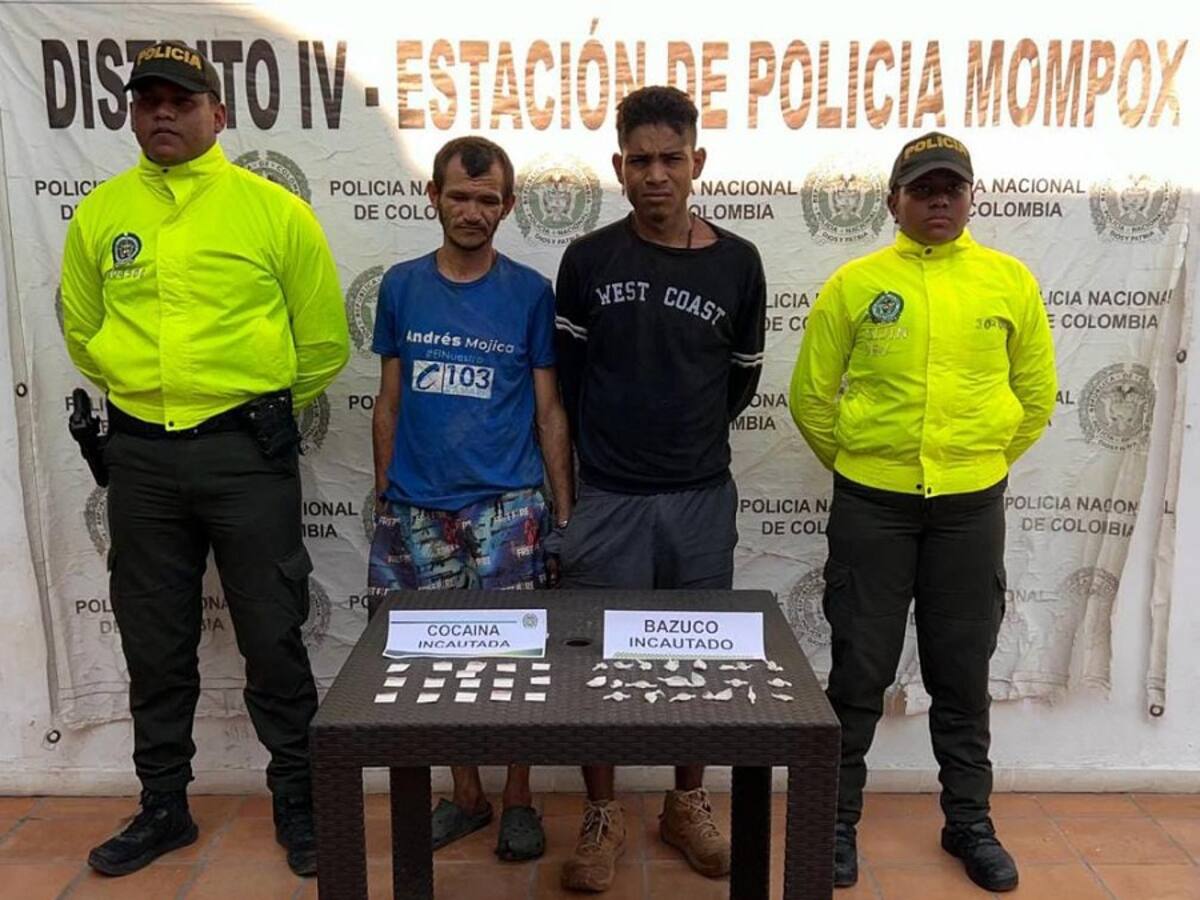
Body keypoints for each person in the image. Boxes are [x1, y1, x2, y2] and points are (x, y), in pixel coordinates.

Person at [59, 42, 349, 878]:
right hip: (141, 457)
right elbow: (83, 329)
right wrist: (150, 390)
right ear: (130, 113)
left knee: (272, 632)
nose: (161, 114)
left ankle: (298, 800)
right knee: (154, 641)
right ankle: (163, 807)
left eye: (180, 102)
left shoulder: (272, 211)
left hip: (244, 454)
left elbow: (323, 340)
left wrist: (243, 402)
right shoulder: (102, 213)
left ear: (218, 114)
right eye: (147, 101)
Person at [788, 131, 1057, 893]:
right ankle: (833, 824)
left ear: (971, 196)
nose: (938, 200)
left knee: (961, 675)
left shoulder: (1008, 282)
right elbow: (812, 397)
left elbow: (1035, 398)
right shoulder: (854, 284)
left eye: (951, 187)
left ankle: (968, 823)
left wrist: (981, 463)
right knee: (858, 673)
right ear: (893, 200)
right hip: (873, 509)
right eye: (922, 188)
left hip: (970, 512)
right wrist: (865, 463)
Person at [553, 85, 767, 892]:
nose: (655, 175)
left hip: (700, 499)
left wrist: (682, 446)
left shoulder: (739, 263)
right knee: (595, 668)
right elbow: (569, 389)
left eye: (670, 158)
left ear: (696, 162)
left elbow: (739, 384)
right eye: (638, 160)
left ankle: (686, 803)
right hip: (607, 499)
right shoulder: (587, 261)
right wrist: (575, 500)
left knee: (698, 663)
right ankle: (603, 815)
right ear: (618, 166)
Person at [368, 136, 573, 862]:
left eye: (489, 200)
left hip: (508, 508)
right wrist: (388, 497)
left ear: (508, 207)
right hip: (417, 511)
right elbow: (388, 401)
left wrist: (562, 512)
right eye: (460, 195)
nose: (473, 211)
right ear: (433, 196)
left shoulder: (529, 293)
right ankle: (467, 793)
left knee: (520, 665)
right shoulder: (400, 287)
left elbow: (550, 411)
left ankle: (518, 798)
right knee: (428, 667)